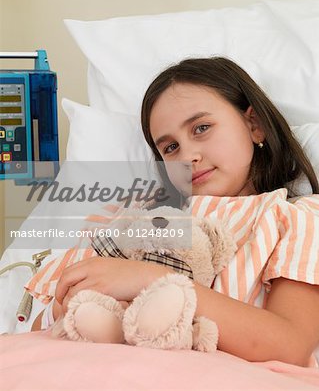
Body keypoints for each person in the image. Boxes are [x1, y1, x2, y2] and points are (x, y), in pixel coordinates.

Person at [32, 57, 319, 367]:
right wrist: (73, 303)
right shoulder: (132, 220)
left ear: (255, 125)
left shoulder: (294, 218)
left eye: (202, 128)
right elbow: (38, 328)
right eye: (169, 148)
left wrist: (149, 278)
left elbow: (292, 346)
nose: (187, 156)